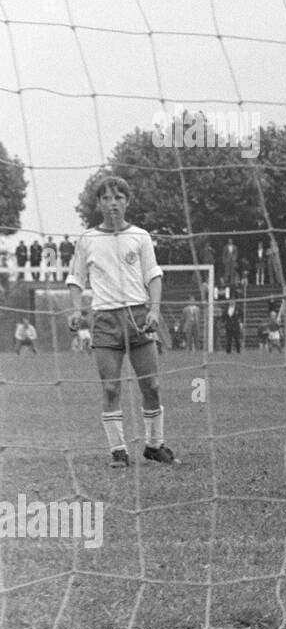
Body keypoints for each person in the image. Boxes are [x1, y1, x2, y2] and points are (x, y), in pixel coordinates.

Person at [64, 175, 177, 467]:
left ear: (127, 201)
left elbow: (153, 275)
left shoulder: (140, 236)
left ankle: (155, 445)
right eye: (106, 198)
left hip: (138, 316)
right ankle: (118, 450)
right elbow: (76, 278)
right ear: (99, 203)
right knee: (111, 388)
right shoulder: (88, 239)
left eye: (118, 197)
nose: (112, 203)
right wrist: (76, 309)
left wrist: (154, 309)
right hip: (104, 319)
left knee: (151, 385)